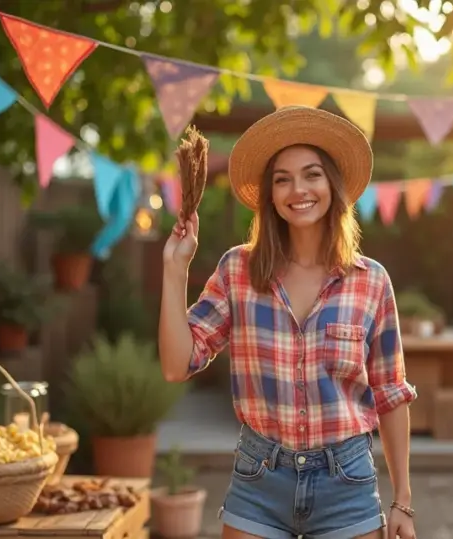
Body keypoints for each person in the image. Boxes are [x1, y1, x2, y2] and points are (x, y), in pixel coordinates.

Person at [158, 106, 418, 539]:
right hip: (259, 478)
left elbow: (390, 395)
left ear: (332, 185)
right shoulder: (237, 271)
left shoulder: (371, 282)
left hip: (347, 481)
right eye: (282, 178)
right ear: (270, 194)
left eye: (312, 174)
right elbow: (175, 365)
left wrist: (402, 501)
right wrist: (175, 269)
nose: (299, 189)